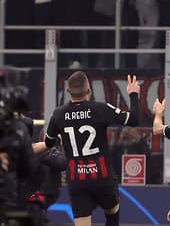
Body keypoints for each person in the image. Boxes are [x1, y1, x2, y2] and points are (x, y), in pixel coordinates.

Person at [35, 71, 141, 226]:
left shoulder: (58, 114)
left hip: (78, 181)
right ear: (89, 90)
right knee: (112, 214)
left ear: (68, 91)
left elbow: (49, 143)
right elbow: (134, 120)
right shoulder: (100, 109)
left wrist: (59, 138)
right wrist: (133, 94)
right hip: (103, 178)